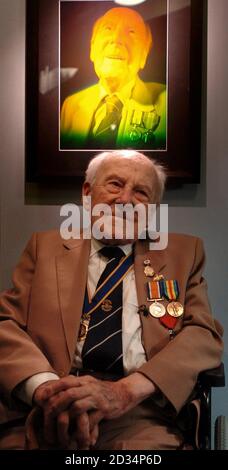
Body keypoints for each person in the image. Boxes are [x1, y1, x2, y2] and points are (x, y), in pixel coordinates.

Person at [0, 150, 223, 450]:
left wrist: (125, 392)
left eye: (141, 192)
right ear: (87, 193)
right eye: (115, 185)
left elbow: (203, 335)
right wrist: (46, 389)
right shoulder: (45, 248)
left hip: (140, 417)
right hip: (46, 408)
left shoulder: (184, 254)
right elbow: (5, 323)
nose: (125, 200)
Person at [60, 7, 166, 150]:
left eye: (131, 32)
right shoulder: (70, 106)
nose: (116, 39)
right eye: (108, 29)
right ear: (92, 49)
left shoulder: (168, 104)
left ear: (144, 55)